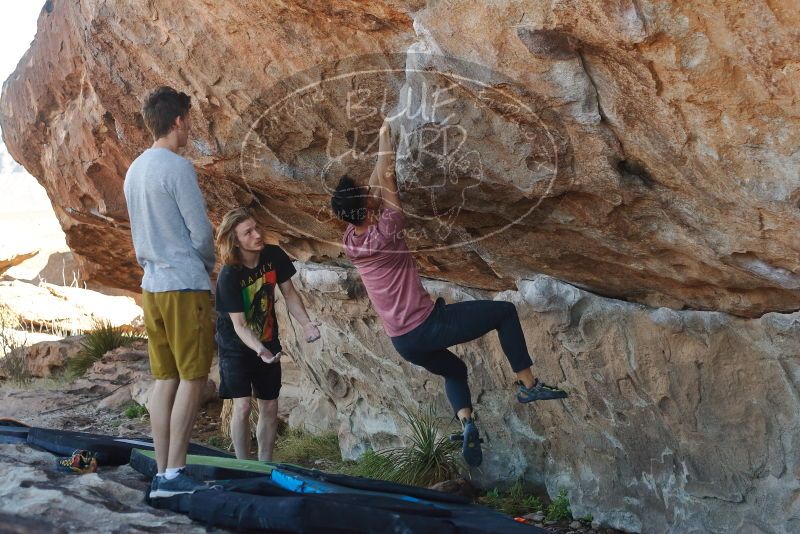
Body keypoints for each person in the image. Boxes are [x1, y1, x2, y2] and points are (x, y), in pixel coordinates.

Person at [330, 120, 568, 467]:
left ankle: (467, 422)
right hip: (428, 324)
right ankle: (528, 383)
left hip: (404, 342)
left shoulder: (352, 239)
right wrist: (385, 142)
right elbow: (387, 181)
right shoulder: (388, 229)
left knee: (454, 370)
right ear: (366, 207)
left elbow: (374, 183)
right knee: (504, 314)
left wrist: (384, 134)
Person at [124, 86, 217, 497]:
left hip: (153, 287)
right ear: (178, 120)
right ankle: (175, 474)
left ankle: (162, 471)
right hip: (184, 284)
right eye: (188, 120)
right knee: (193, 379)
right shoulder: (177, 167)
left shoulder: (134, 170)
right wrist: (207, 264)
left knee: (165, 380)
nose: (189, 128)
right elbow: (200, 232)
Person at [214, 207, 321, 461]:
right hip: (235, 346)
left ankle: (265, 464)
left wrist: (306, 324)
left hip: (267, 337)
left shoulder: (274, 256)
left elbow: (290, 295)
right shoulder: (229, 275)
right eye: (248, 232)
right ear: (235, 240)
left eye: (256, 227)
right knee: (241, 407)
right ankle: (243, 466)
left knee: (270, 405)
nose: (257, 234)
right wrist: (259, 350)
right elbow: (239, 326)